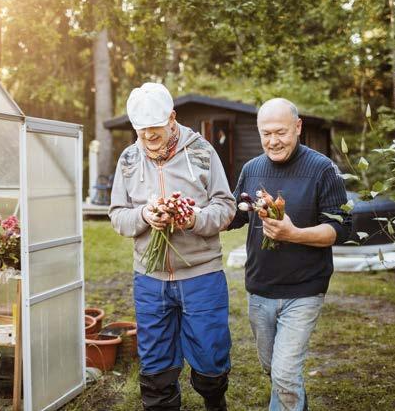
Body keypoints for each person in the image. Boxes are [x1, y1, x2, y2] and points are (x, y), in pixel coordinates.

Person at [109, 82, 236, 411]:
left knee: (210, 357)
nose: (149, 136)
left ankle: (213, 398)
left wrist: (194, 219)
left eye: (155, 127)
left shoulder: (201, 152)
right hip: (150, 278)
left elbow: (226, 206)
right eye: (141, 130)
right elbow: (118, 216)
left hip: (201, 275)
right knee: (155, 363)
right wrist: (144, 215)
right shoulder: (128, 160)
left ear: (172, 118)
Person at [228, 98, 352, 411]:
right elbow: (234, 215)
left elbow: (340, 229)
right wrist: (194, 214)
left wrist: (293, 234)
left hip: (305, 289)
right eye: (265, 134)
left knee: (283, 374)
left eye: (280, 132)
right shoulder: (252, 169)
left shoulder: (323, 169)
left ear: (297, 127)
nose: (273, 141)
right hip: (260, 289)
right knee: (275, 369)